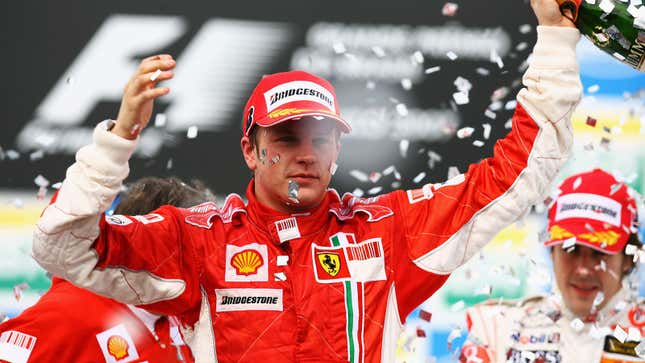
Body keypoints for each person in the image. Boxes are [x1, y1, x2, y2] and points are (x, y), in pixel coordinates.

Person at [29, 1, 582, 362]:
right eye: (288, 138)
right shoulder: (196, 240)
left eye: (321, 138)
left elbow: (519, 174)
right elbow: (61, 246)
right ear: (251, 149)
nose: (307, 155)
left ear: (338, 148)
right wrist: (117, 139)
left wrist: (555, 39)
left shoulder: (387, 233)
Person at [0, 177, 213, 363]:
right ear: (151, 249)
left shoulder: (180, 319)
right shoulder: (68, 315)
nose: (212, 260)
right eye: (200, 247)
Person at [460, 169, 644, 363]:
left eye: (599, 253)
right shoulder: (497, 327)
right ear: (552, 252)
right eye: (570, 250)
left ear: (628, 258)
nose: (583, 269)